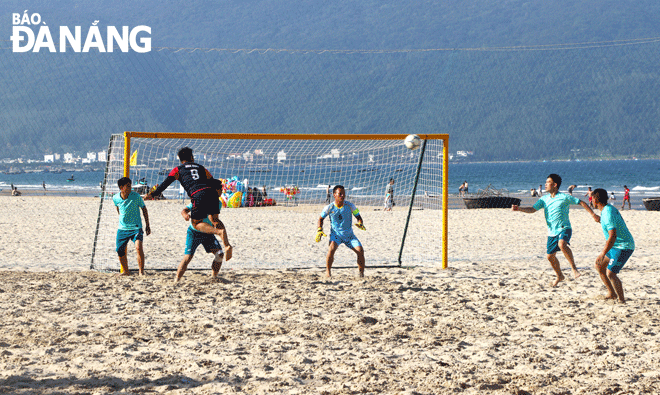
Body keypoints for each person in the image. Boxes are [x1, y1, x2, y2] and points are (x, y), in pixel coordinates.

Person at [145, 147, 233, 261]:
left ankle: (218, 232)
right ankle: (227, 245)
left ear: (180, 159)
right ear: (192, 157)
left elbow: (165, 184)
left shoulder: (177, 169)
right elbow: (212, 181)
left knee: (196, 223)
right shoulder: (201, 167)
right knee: (214, 219)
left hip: (198, 195)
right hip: (212, 194)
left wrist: (152, 194)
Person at [512, 174, 600, 287]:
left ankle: (574, 269)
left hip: (564, 228)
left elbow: (581, 202)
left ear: (555, 185)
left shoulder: (564, 197)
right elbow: (532, 209)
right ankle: (560, 276)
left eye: (548, 182)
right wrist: (519, 209)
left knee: (562, 244)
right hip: (552, 232)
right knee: (550, 257)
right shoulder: (544, 199)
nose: (545, 184)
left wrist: (593, 214)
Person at [175, 179, 230, 282]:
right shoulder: (200, 199)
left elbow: (214, 220)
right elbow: (184, 210)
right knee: (188, 257)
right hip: (194, 232)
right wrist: (185, 215)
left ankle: (214, 277)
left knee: (220, 254)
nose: (222, 191)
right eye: (220, 189)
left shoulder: (218, 203)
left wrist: (223, 236)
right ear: (214, 190)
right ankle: (177, 280)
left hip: (207, 233)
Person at [592, 188, 634, 304]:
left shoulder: (608, 213)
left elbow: (612, 236)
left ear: (595, 200)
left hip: (623, 246)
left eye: (591, 199)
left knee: (610, 273)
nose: (591, 201)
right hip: (615, 245)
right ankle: (612, 293)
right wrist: (600, 220)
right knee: (599, 266)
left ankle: (621, 300)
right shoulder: (607, 210)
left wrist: (602, 253)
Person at [316, 185, 366, 278]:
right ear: (334, 195)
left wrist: (360, 223)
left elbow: (359, 217)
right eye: (340, 194)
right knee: (331, 249)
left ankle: (361, 274)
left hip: (349, 235)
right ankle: (328, 272)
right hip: (336, 235)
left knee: (360, 251)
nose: (343, 196)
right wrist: (319, 230)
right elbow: (320, 219)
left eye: (344, 194)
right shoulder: (329, 207)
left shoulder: (350, 206)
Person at [113, 177, 151, 276]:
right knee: (119, 250)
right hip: (122, 229)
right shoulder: (116, 198)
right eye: (128, 186)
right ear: (121, 187)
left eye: (130, 186)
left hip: (136, 228)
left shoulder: (136, 196)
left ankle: (141, 272)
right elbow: (118, 209)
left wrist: (147, 225)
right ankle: (126, 271)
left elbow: (144, 209)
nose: (130, 188)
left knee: (138, 247)